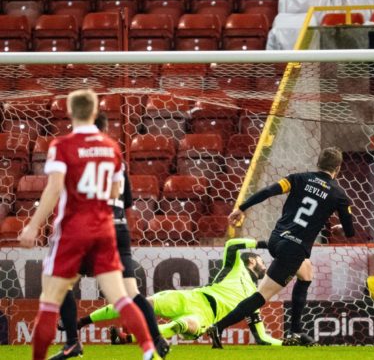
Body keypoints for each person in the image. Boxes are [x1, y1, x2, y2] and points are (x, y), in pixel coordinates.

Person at [17, 89, 158, 360]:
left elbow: (54, 189)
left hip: (73, 229)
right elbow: (116, 191)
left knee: (50, 297)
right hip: (105, 228)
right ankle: (149, 349)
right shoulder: (112, 148)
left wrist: (33, 225)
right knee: (121, 297)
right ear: (95, 113)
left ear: (70, 113)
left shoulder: (62, 145)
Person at [206, 147, 356, 349]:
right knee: (262, 296)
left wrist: (241, 208)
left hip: (277, 239)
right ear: (338, 169)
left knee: (306, 274)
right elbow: (349, 231)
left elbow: (268, 192)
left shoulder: (298, 178)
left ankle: (295, 331)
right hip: (293, 248)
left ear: (318, 163)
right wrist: (339, 229)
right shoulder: (339, 195)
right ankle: (218, 327)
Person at [50, 113, 169, 360]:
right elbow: (127, 201)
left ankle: (73, 344)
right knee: (131, 292)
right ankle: (158, 340)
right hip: (118, 228)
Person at [75, 238, 283, 346]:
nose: (265, 267)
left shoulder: (254, 299)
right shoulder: (234, 267)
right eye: (262, 261)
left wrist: (286, 342)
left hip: (205, 316)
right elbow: (231, 245)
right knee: (142, 303)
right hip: (192, 297)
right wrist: (264, 244)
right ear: (252, 260)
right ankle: (81, 323)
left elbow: (263, 338)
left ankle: (127, 338)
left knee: (187, 326)